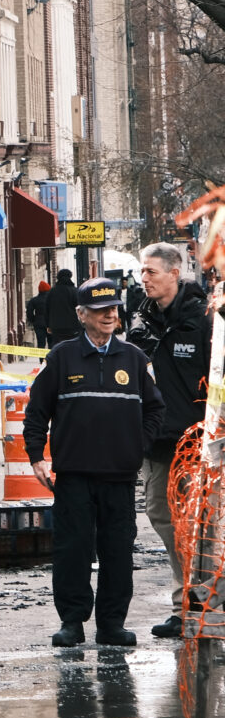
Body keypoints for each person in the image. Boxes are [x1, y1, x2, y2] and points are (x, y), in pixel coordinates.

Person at [23, 277, 165, 647]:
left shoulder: (134, 359)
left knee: (118, 551)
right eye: (101, 310)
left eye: (113, 309)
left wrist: (138, 445)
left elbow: (155, 409)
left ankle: (111, 624)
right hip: (74, 475)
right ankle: (72, 621)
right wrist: (36, 455)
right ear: (82, 314)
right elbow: (37, 410)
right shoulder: (61, 357)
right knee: (72, 550)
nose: (109, 315)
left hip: (119, 475)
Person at [130, 242, 212, 638]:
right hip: (156, 443)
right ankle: (188, 602)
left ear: (174, 273)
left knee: (199, 522)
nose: (144, 279)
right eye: (142, 272)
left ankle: (203, 603)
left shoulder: (203, 320)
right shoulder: (141, 321)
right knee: (164, 518)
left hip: (198, 443)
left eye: (151, 272)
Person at [46, 268, 80, 345]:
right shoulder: (74, 291)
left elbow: (47, 309)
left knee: (57, 347)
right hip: (72, 326)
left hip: (56, 326)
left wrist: (48, 325)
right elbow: (80, 307)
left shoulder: (52, 292)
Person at [26, 281, 51, 350]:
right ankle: (51, 360)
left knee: (41, 343)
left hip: (39, 324)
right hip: (50, 323)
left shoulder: (34, 300)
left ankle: (41, 359)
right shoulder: (52, 299)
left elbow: (29, 312)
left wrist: (33, 320)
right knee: (51, 343)